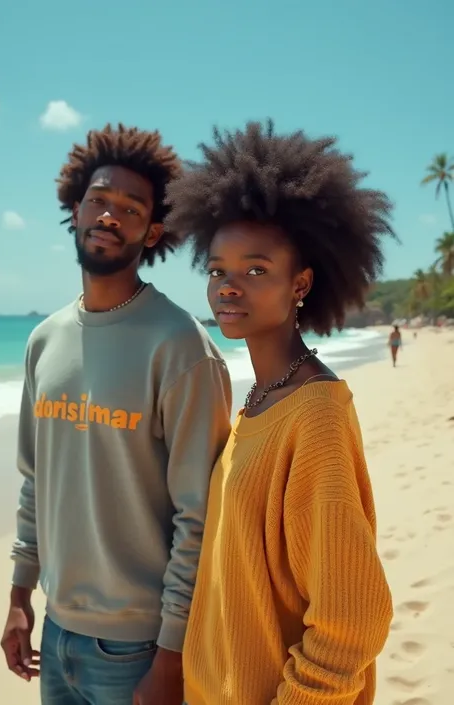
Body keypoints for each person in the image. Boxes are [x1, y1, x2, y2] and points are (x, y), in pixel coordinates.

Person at [0, 123, 232, 705]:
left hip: (138, 651)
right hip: (55, 632)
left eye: (130, 209)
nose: (109, 215)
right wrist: (17, 596)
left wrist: (171, 656)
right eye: (99, 200)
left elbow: (199, 514)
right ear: (74, 210)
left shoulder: (179, 344)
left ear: (153, 231)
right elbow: (34, 482)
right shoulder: (43, 340)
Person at [165, 120, 394, 705]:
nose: (228, 287)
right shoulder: (258, 403)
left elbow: (352, 622)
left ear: (302, 283)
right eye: (217, 270)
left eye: (256, 269)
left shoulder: (313, 417)